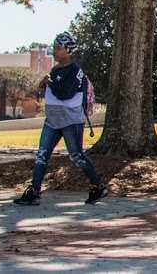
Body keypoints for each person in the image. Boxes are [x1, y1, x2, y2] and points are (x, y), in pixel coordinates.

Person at [13, 32, 107, 206]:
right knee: (42, 155)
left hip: (71, 120)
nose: (54, 51)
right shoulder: (55, 70)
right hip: (52, 120)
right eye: (54, 47)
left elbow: (66, 93)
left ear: (68, 51)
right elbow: (54, 91)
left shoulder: (75, 70)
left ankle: (98, 186)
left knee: (76, 156)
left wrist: (50, 83)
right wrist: (44, 84)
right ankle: (34, 192)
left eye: (58, 48)